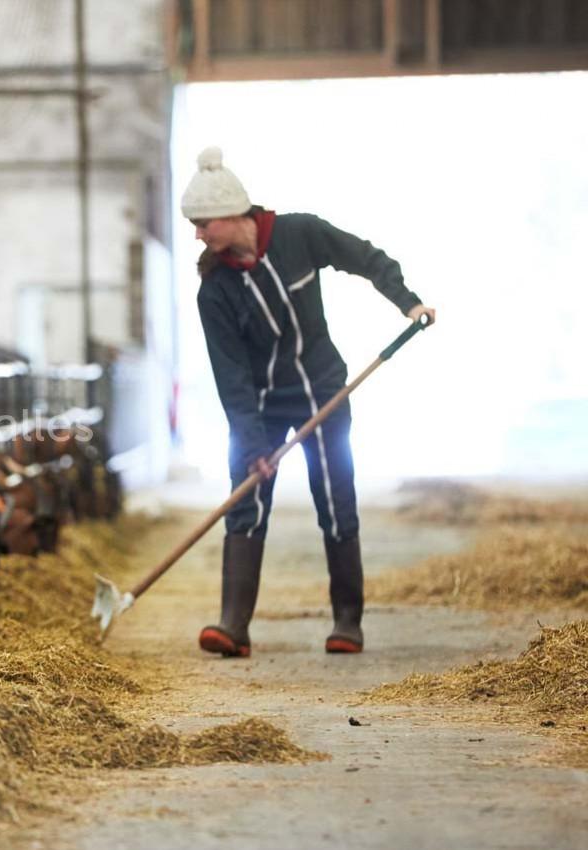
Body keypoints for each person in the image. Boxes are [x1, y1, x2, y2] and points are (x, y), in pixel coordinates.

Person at [181, 146, 435, 657]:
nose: (198, 235)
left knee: (336, 499)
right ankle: (233, 625)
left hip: (323, 391)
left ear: (234, 215)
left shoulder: (299, 235)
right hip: (260, 406)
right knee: (247, 499)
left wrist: (407, 302)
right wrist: (252, 443)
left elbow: (367, 258)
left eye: (204, 223)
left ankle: (348, 621)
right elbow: (230, 377)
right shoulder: (216, 291)